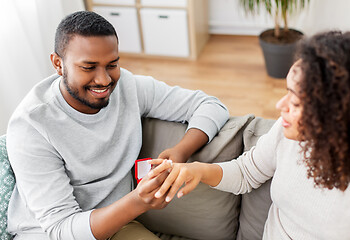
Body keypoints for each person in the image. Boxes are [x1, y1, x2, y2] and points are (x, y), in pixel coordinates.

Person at [6, 11, 229, 240]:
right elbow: (61, 228)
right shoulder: (30, 126)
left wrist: (181, 151)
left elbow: (210, 105)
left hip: (116, 225)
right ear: (58, 64)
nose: (103, 80)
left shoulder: (128, 87)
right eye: (88, 67)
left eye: (112, 65)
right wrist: (138, 201)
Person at [150, 31, 350, 239]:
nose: (280, 105)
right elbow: (246, 172)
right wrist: (198, 170)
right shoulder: (286, 133)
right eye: (287, 92)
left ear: (336, 114)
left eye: (296, 102)